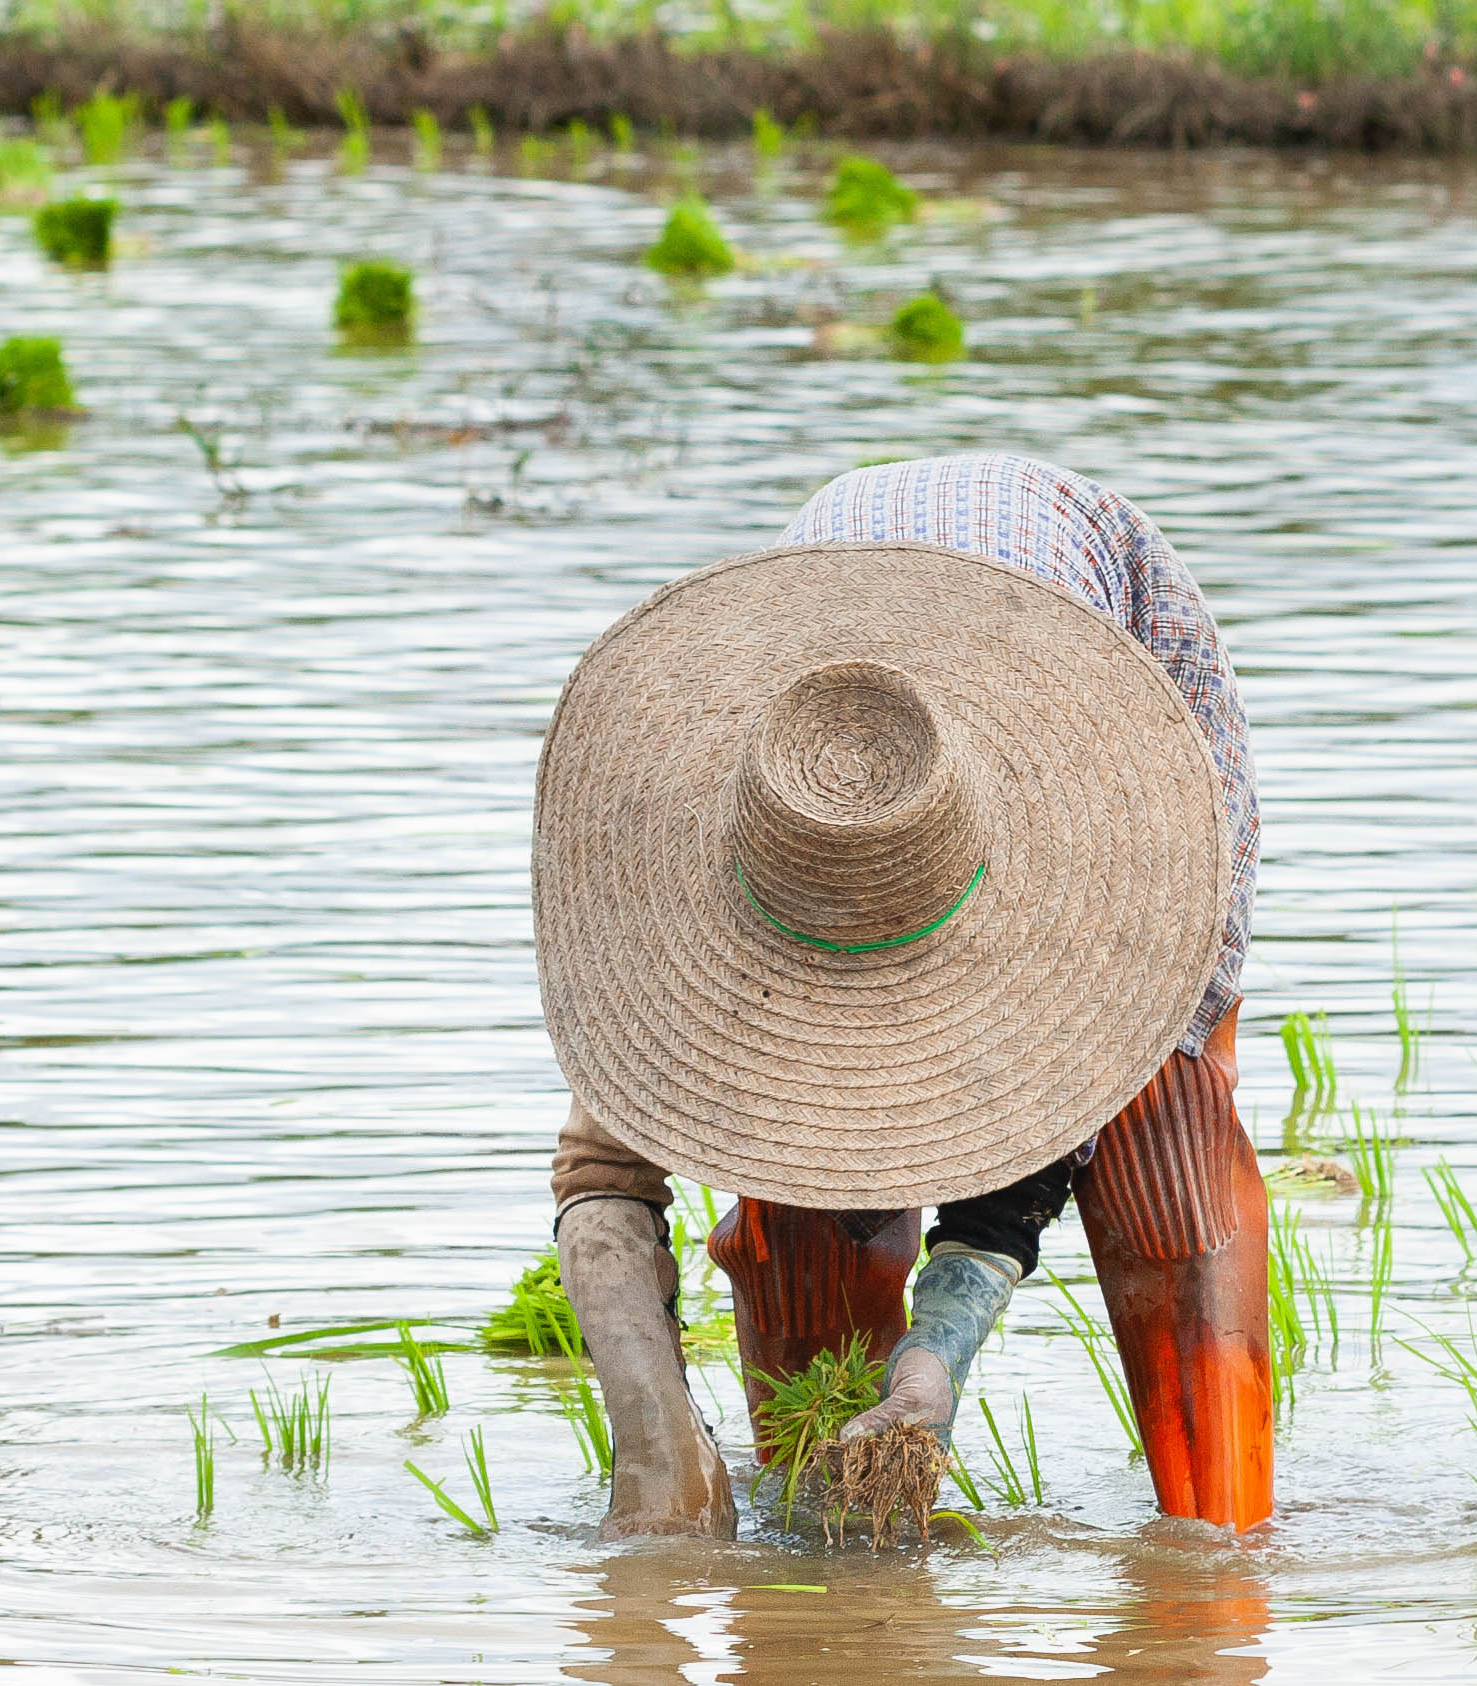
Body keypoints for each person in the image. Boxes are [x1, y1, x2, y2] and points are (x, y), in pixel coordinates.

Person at [539, 452, 1272, 1539]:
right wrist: (655, 1447)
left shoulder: (1105, 848)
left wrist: (940, 1349)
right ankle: (819, 1519)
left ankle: (1220, 1538)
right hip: (818, 653)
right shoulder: (672, 832)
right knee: (800, 1214)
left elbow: (1081, 1076)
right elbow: (607, 1162)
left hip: (1095, 673)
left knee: (1169, 1166)